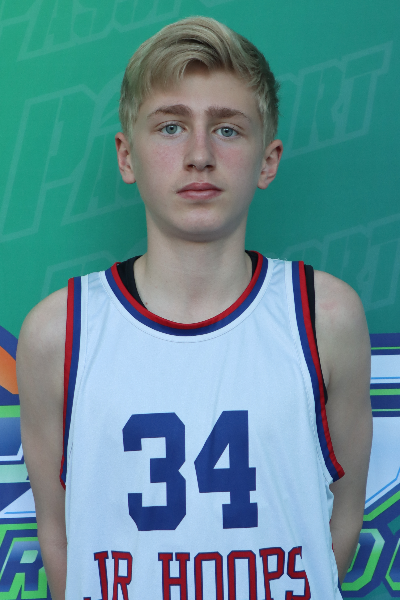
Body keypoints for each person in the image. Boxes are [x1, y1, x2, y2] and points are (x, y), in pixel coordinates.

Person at [17, 16, 372, 600]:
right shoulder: (59, 332)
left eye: (228, 129)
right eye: (171, 127)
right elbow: (58, 537)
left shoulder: (325, 317)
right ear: (126, 157)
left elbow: (341, 518)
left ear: (268, 160)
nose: (200, 154)